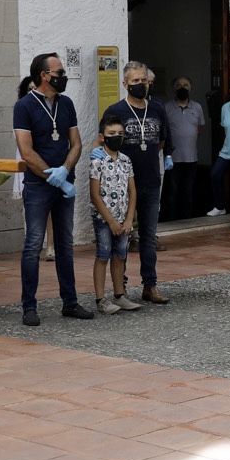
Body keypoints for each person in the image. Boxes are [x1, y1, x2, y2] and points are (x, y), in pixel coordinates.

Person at [13, 52, 92, 325]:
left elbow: (77, 143)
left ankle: (70, 302)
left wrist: (66, 171)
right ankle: (29, 306)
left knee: (65, 245)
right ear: (44, 75)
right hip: (38, 185)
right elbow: (26, 150)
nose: (63, 77)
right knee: (33, 243)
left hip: (63, 182)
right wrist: (51, 175)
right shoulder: (24, 106)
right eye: (58, 72)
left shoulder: (66, 103)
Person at [102, 61, 171, 304]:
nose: (140, 85)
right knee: (122, 236)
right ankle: (120, 288)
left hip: (151, 181)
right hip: (123, 185)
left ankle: (149, 285)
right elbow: (106, 143)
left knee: (149, 236)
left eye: (143, 80)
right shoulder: (115, 111)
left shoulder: (157, 109)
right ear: (125, 84)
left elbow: (162, 141)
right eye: (135, 81)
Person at [88, 117, 139, 313]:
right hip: (104, 219)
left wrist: (128, 219)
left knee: (120, 255)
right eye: (111, 134)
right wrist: (110, 221)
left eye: (120, 134)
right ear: (102, 137)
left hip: (122, 218)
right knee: (103, 254)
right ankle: (100, 299)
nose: (116, 137)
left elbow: (132, 190)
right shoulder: (97, 160)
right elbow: (94, 193)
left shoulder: (126, 160)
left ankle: (120, 295)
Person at [162, 74, 205, 220]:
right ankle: (172, 220)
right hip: (172, 158)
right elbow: (163, 132)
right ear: (173, 89)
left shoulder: (197, 107)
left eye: (186, 85)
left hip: (191, 158)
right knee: (172, 191)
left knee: (188, 191)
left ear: (191, 88)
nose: (182, 88)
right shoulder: (166, 108)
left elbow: (200, 129)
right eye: (179, 85)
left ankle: (187, 219)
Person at [207, 83, 230, 217]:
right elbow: (225, 128)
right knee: (215, 174)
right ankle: (220, 206)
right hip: (228, 149)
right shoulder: (225, 108)